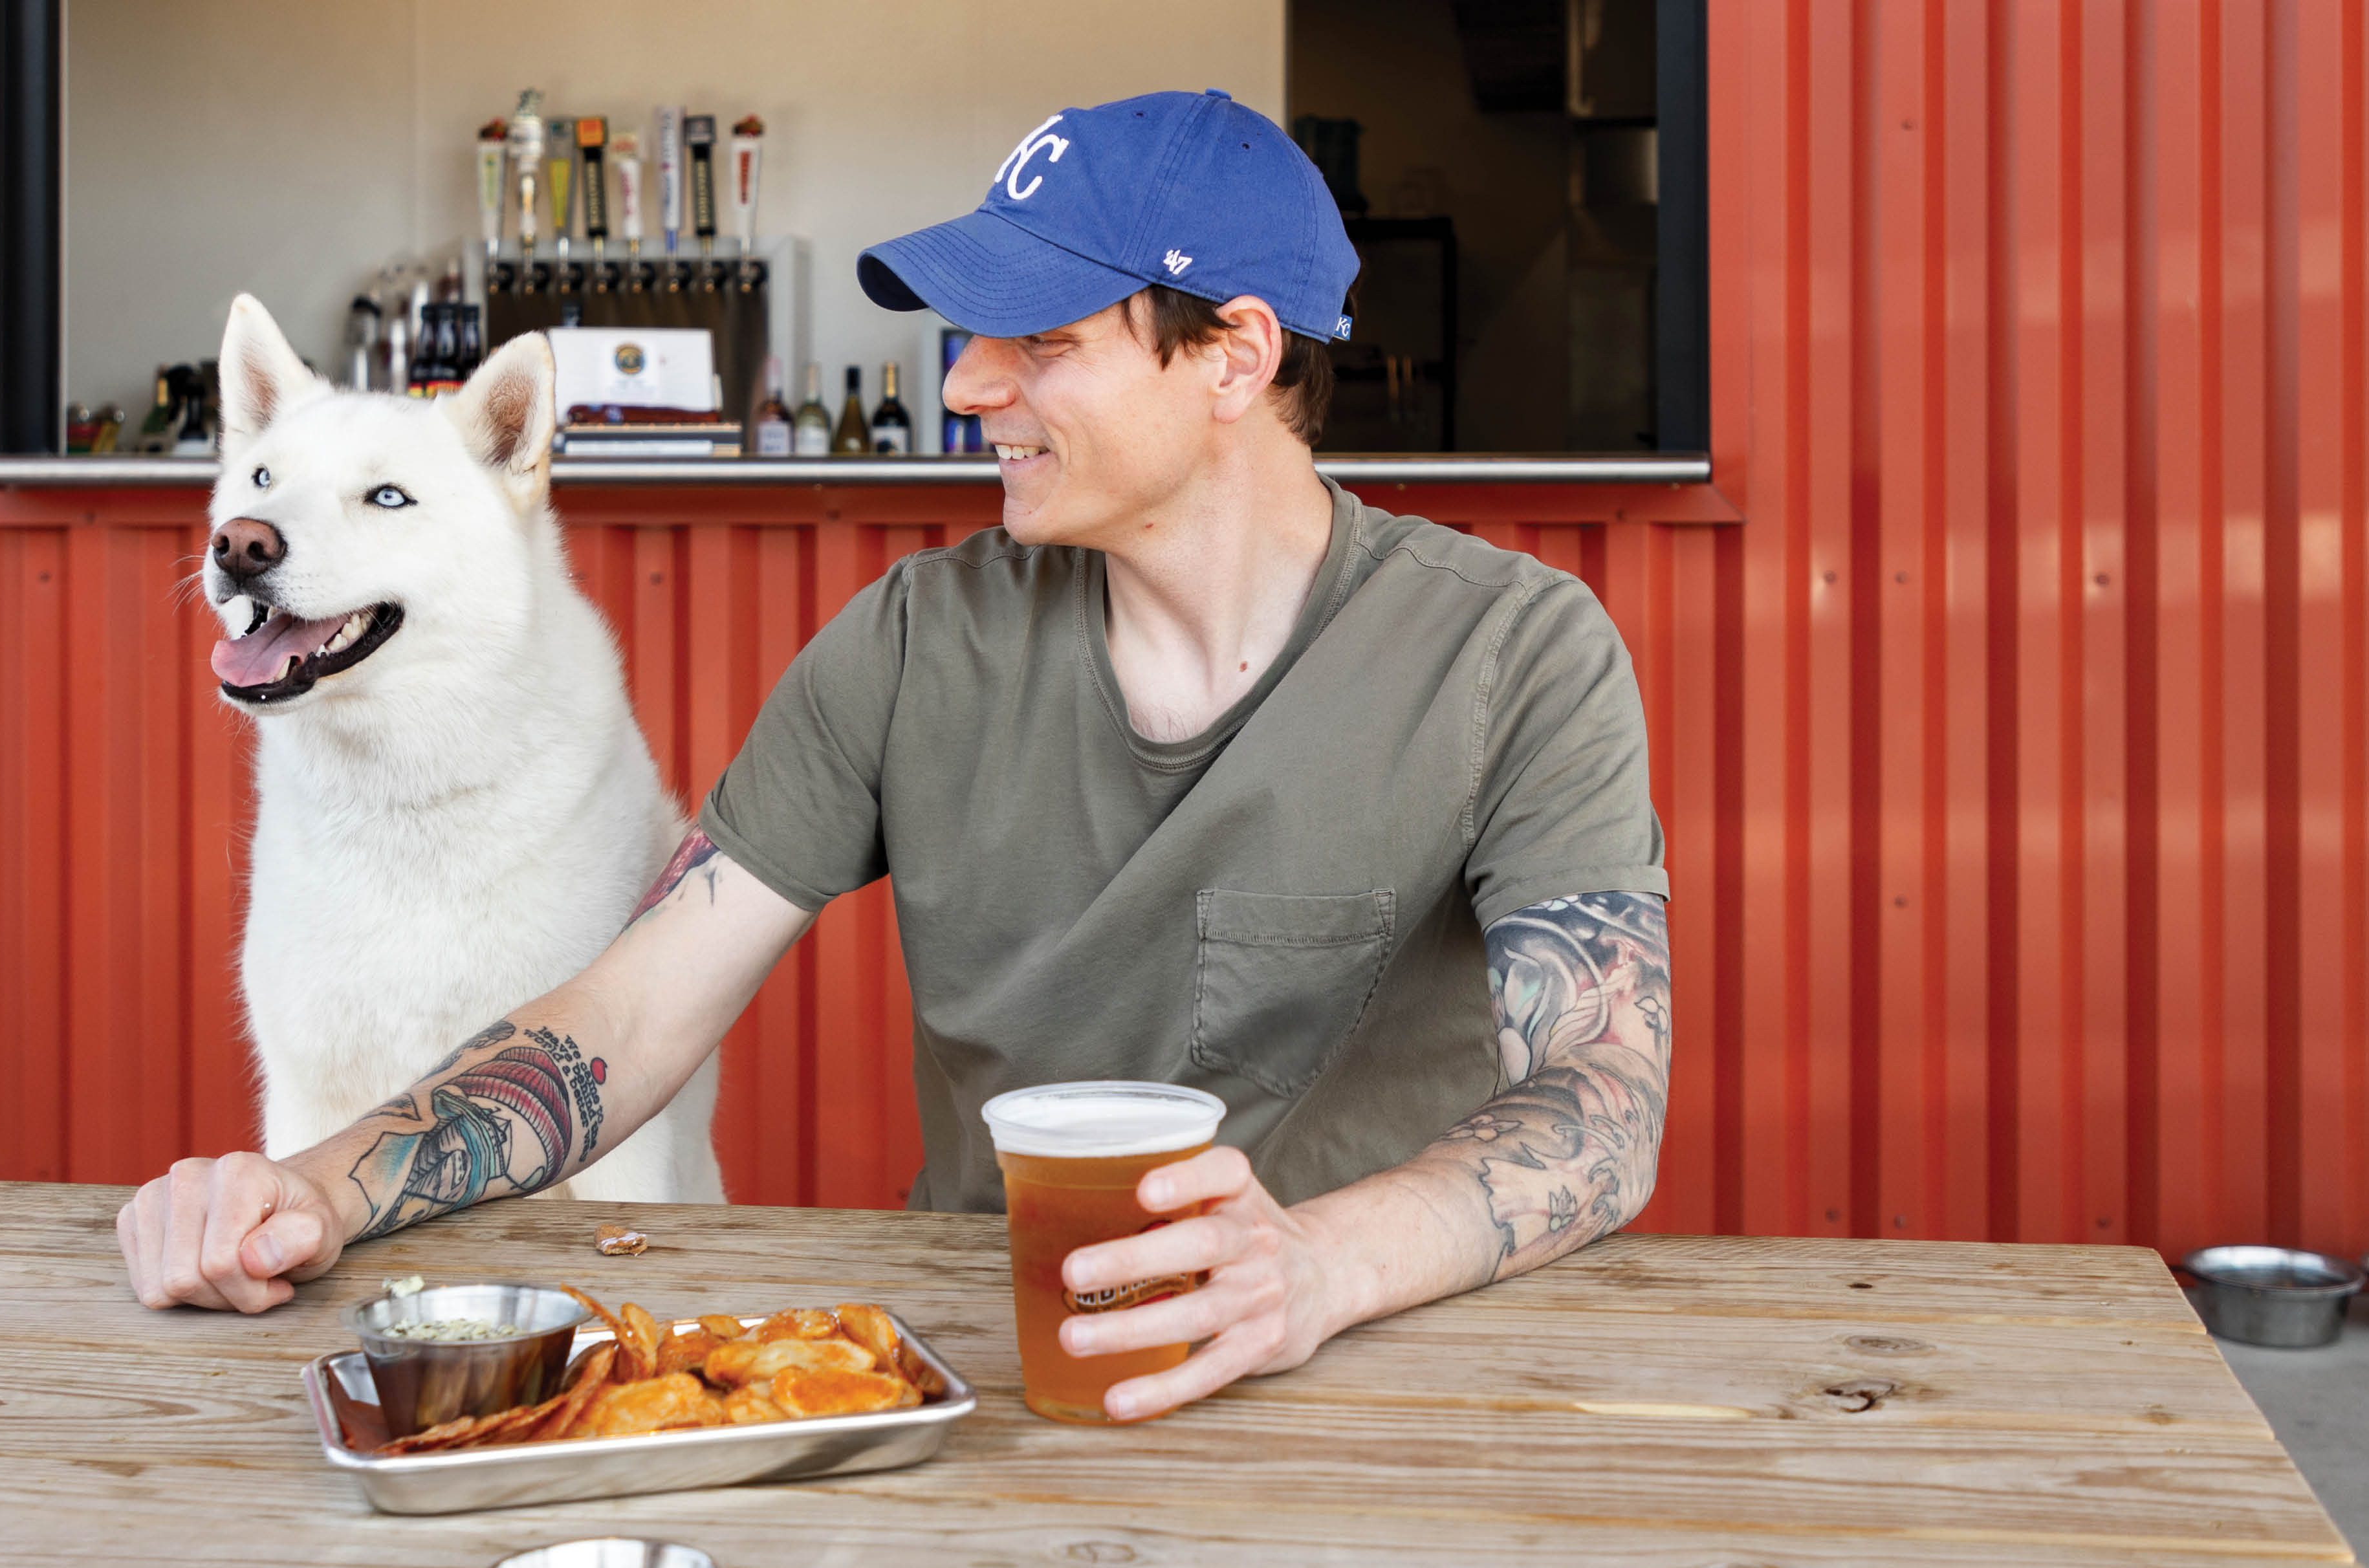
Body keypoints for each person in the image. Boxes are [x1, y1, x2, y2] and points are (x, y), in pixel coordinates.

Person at [118, 90, 1672, 1422]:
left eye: (1042, 341)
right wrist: (320, 1184)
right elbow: (633, 1017)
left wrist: (1318, 1266)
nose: (967, 385)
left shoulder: (1516, 654)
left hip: (1395, 1379)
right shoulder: (915, 645)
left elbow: (1601, 1098)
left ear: (1234, 357)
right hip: (1003, 1379)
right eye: (973, 337)